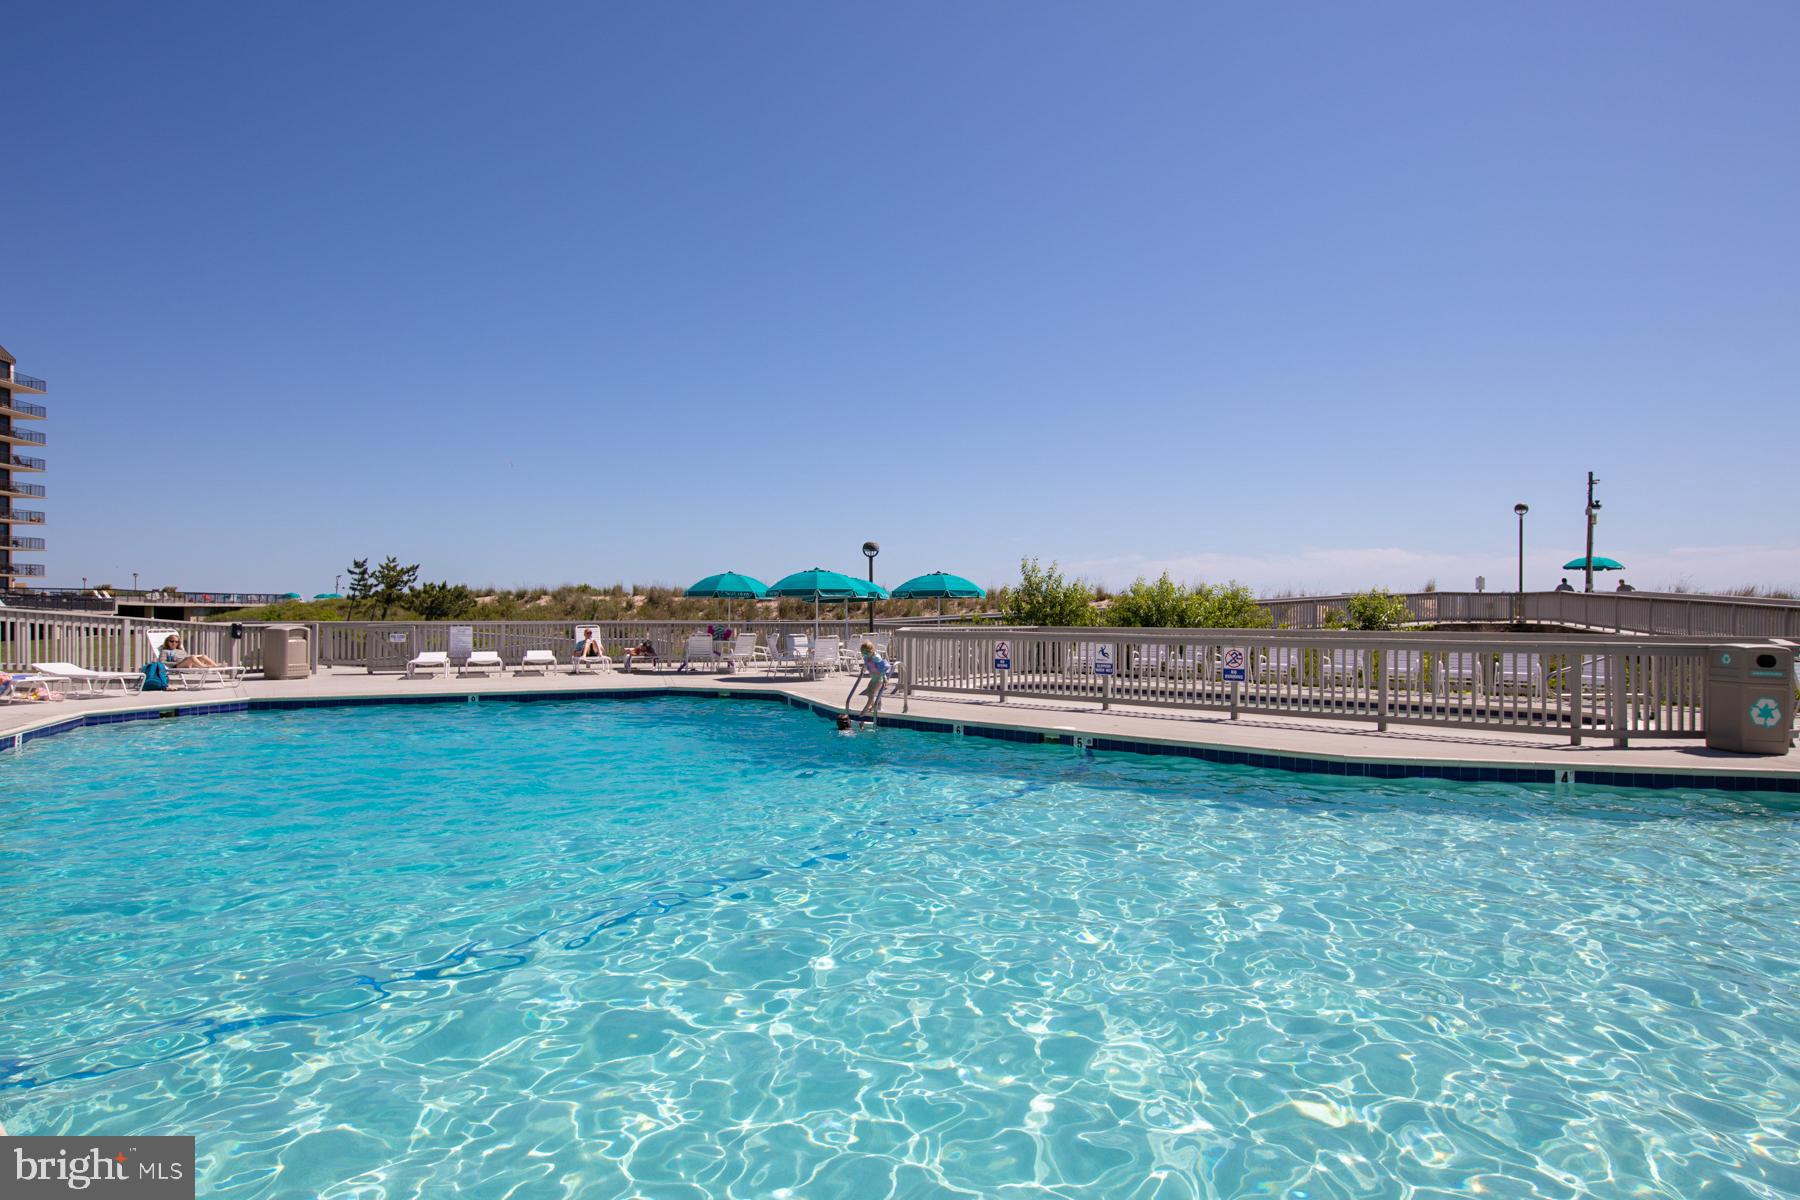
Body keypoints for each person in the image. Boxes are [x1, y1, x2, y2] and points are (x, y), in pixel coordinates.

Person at [853, 639, 896, 718]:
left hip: (879, 678)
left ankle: (865, 709)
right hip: (873, 678)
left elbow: (882, 668)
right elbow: (866, 664)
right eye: (863, 653)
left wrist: (885, 678)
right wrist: (864, 668)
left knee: (872, 693)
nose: (864, 654)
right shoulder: (867, 657)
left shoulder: (876, 657)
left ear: (871, 650)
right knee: (868, 693)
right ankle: (875, 706)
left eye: (866, 652)